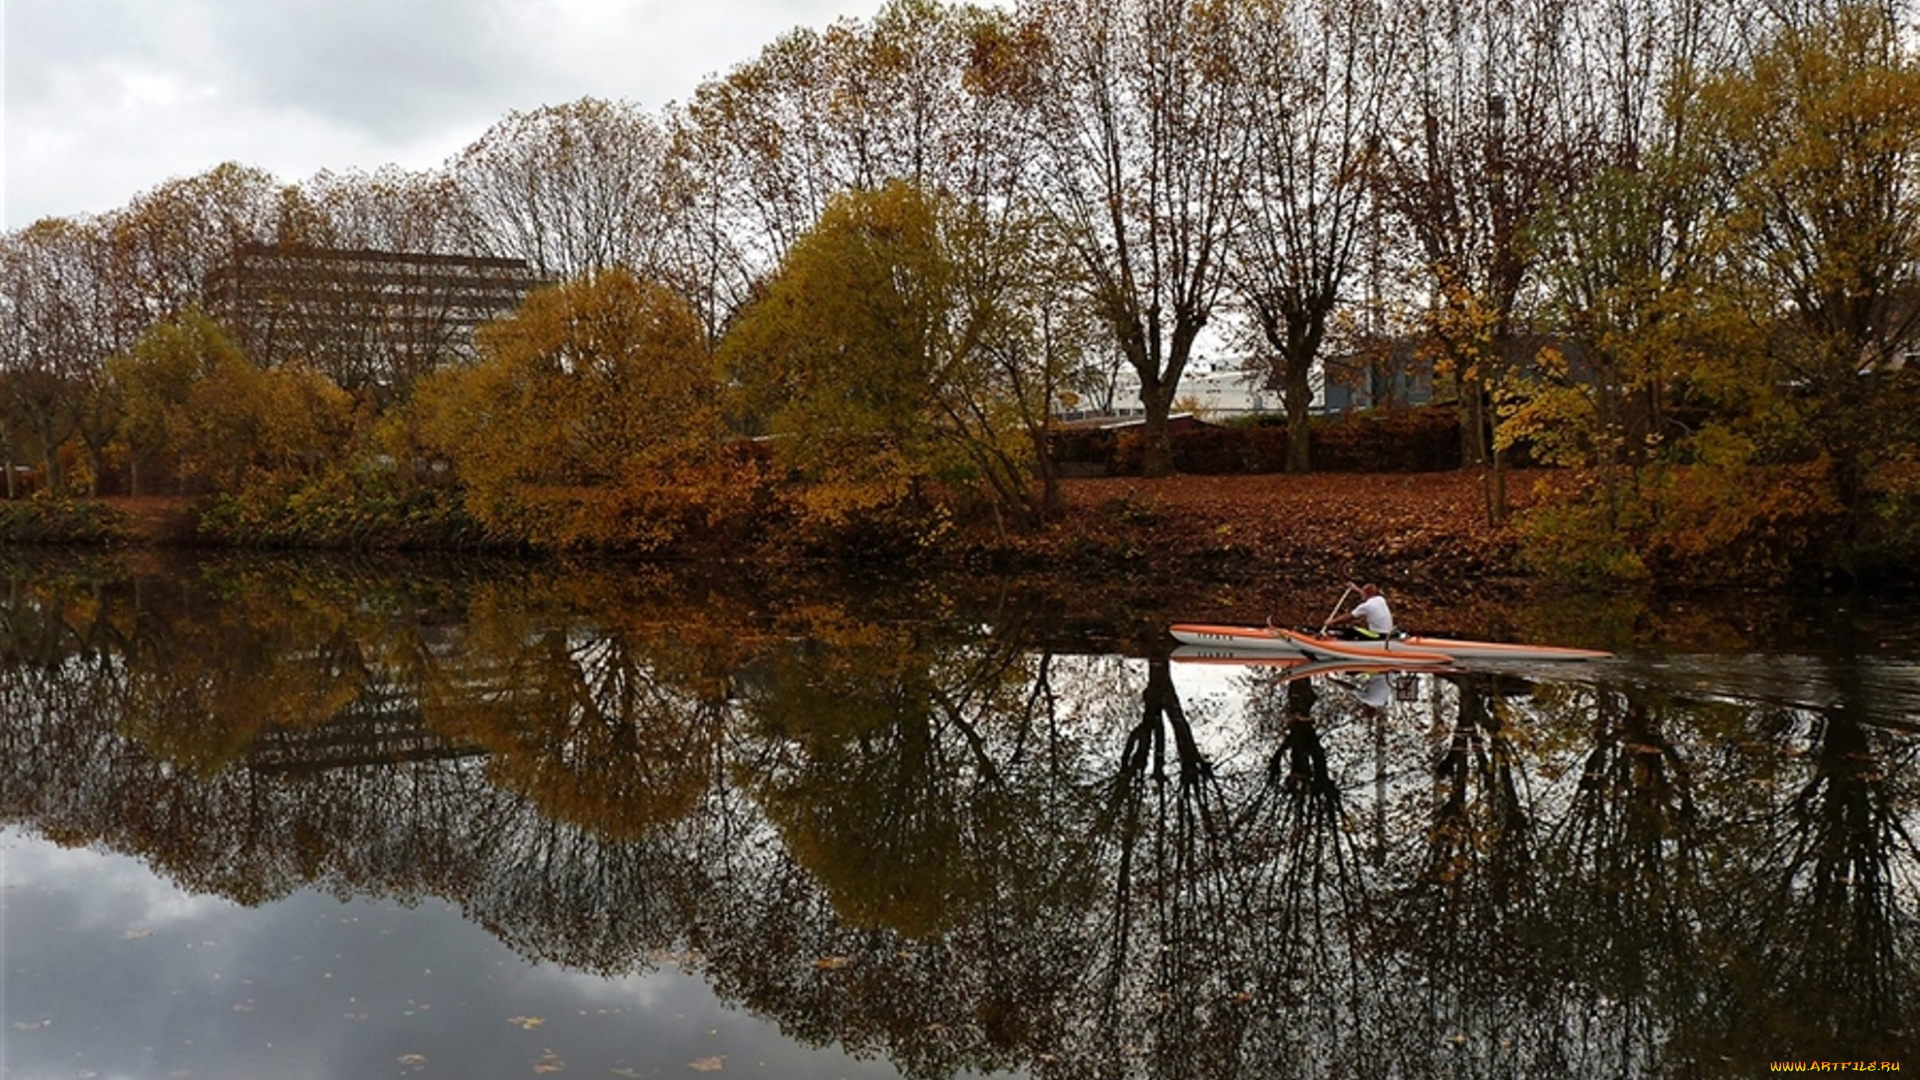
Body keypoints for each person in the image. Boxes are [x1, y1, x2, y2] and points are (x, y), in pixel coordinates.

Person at [1325, 583, 1393, 640]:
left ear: (1365, 593)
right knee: (1360, 630)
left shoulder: (1366, 606)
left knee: (1352, 630)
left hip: (1378, 635)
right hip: (1387, 634)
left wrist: (1332, 621)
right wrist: (1355, 588)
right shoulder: (1380, 599)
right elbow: (1366, 594)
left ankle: (1338, 640)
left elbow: (1349, 616)